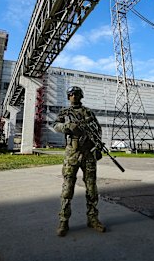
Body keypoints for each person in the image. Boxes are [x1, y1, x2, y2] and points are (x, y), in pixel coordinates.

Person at [53, 86, 106, 237]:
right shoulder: (65, 112)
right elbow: (55, 126)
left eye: (76, 94)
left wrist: (97, 147)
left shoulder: (88, 112)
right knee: (67, 188)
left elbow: (97, 129)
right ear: (68, 97)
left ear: (81, 96)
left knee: (91, 188)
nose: (73, 96)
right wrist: (67, 126)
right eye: (70, 94)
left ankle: (93, 219)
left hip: (88, 154)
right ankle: (63, 221)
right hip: (72, 155)